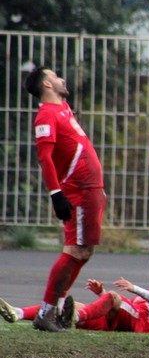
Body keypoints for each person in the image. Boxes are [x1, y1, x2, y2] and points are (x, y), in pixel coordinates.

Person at [23, 66, 106, 333]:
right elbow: (45, 157)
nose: (62, 79)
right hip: (78, 188)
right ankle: (47, 312)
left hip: (91, 187)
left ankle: (56, 309)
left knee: (85, 250)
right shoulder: (46, 115)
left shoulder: (62, 108)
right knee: (75, 250)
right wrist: (56, 193)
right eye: (55, 76)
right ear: (47, 84)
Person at [0, 253, 149, 335]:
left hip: (140, 325)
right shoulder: (141, 297)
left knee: (113, 296)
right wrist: (101, 293)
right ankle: (18, 313)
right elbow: (120, 311)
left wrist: (134, 288)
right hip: (117, 323)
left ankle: (74, 317)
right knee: (69, 306)